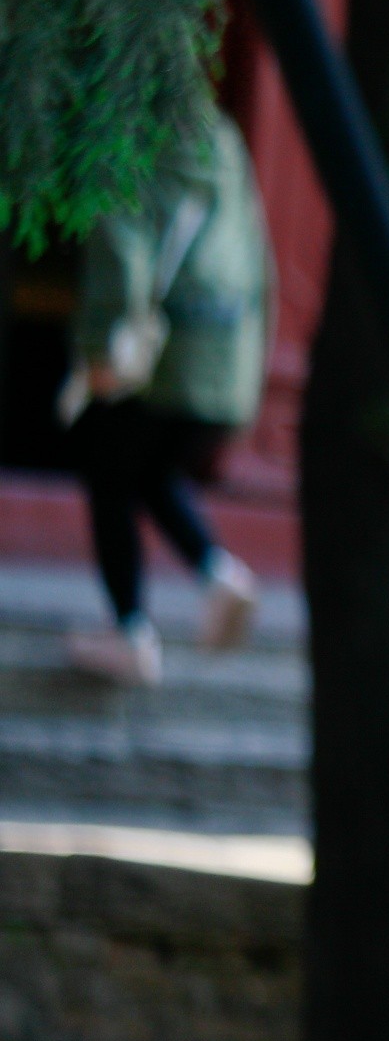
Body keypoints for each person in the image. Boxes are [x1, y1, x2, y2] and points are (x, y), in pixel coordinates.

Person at [62, 84, 269, 685]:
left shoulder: (126, 129)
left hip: (156, 352)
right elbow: (255, 250)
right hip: (224, 352)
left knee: (109, 475)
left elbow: (123, 245)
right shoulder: (223, 136)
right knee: (146, 473)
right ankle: (218, 574)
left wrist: (104, 343)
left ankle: (130, 630)